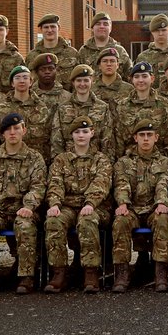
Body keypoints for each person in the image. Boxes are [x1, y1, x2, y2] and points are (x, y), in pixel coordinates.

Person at [0, 113, 48, 295]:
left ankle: (26, 276)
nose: (12, 133)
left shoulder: (34, 158)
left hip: (24, 210)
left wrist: (29, 206)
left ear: (24, 130)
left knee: (24, 225)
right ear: (2, 134)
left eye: (16, 128)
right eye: (8, 130)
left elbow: (38, 187)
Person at [44, 119, 113, 293]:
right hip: (67, 206)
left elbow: (101, 184)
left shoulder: (100, 159)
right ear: (71, 135)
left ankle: (90, 272)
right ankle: (58, 272)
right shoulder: (61, 160)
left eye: (84, 131)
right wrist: (55, 204)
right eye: (77, 132)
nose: (81, 136)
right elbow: (55, 183)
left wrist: (90, 203)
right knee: (54, 220)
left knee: (87, 220)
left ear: (92, 133)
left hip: (96, 207)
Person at [112, 122, 168, 292]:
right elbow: (121, 184)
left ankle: (161, 272)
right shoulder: (123, 163)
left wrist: (161, 202)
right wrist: (123, 204)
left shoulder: (165, 162)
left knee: (162, 220)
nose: (146, 139)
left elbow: (164, 183)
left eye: (149, 135)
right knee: (120, 222)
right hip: (132, 208)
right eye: (142, 135)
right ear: (135, 138)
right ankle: (122, 273)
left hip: (154, 208)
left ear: (156, 138)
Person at [114, 61, 168, 158]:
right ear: (131, 80)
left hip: (158, 160)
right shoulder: (123, 106)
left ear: (152, 79)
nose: (140, 80)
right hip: (130, 160)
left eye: (144, 76)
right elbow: (119, 139)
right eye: (136, 77)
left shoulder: (163, 104)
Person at [0, 66, 56, 161]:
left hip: (37, 161)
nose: (22, 81)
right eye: (17, 78)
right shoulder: (2, 108)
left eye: (25, 78)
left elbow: (50, 137)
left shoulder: (42, 107)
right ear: (12, 83)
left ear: (30, 82)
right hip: (8, 161)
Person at [57, 65, 115, 159]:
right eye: (79, 80)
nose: (82, 84)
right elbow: (57, 139)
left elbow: (107, 138)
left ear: (92, 81)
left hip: (96, 162)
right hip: (68, 162)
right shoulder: (63, 108)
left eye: (86, 80)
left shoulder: (102, 107)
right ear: (73, 82)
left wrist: (106, 162)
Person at [25, 14, 77, 87]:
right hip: (38, 97)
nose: (49, 30)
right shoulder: (32, 56)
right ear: (41, 29)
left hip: (66, 97)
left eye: (53, 27)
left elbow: (79, 78)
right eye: (46, 27)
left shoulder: (72, 53)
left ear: (58, 28)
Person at [77, 12, 133, 76]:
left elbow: (130, 76)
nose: (102, 26)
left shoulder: (120, 51)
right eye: (98, 24)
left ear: (110, 28)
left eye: (105, 24)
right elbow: (78, 77)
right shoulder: (84, 51)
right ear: (92, 28)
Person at [135, 15, 168, 81]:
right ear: (152, 32)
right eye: (157, 31)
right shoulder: (143, 57)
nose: (160, 33)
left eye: (164, 30)